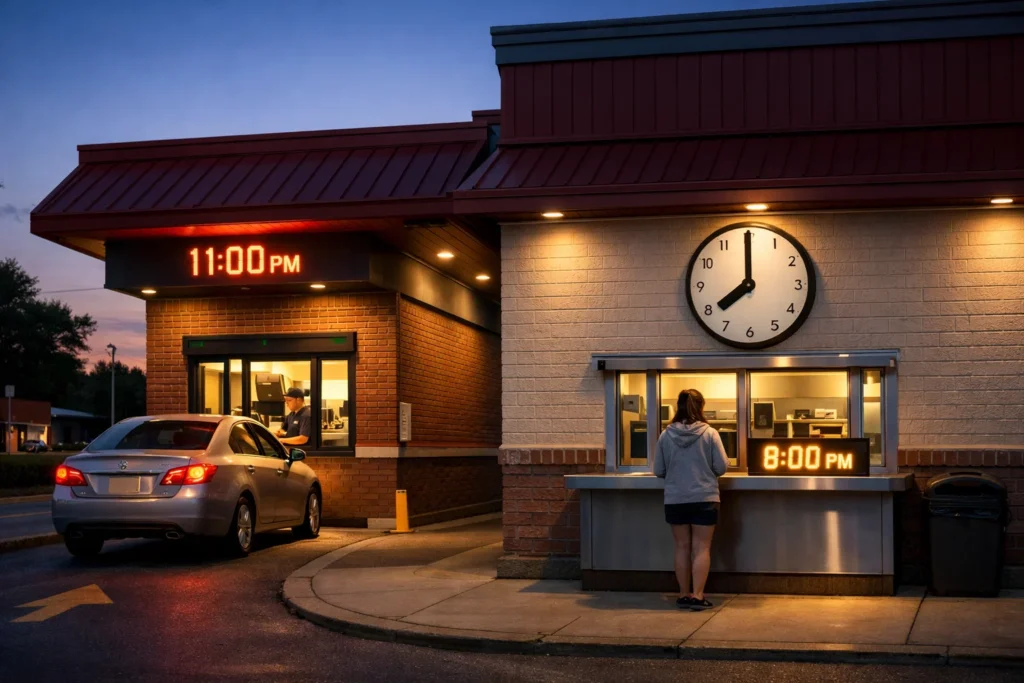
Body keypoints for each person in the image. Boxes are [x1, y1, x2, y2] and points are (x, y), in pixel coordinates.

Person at [654, 388, 728, 611]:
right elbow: (722, 467)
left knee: (682, 547)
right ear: (701, 407)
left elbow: (658, 469)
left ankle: (682, 594)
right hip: (704, 496)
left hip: (676, 498)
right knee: (701, 548)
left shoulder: (665, 435)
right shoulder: (710, 433)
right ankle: (698, 596)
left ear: (679, 406)